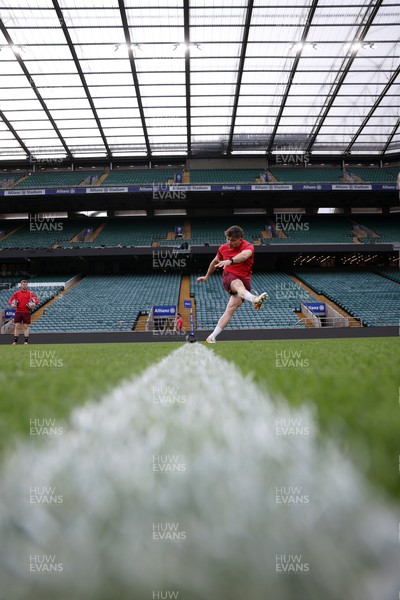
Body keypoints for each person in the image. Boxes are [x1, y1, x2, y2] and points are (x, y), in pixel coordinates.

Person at [197, 225, 268, 343]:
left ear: (240, 239)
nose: (230, 242)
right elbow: (214, 262)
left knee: (230, 309)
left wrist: (230, 260)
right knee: (238, 285)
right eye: (228, 239)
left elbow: (244, 256)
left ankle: (211, 337)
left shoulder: (248, 246)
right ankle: (254, 299)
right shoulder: (223, 248)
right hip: (229, 276)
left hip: (245, 280)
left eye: (233, 240)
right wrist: (207, 276)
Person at [8, 279, 39, 345]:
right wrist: (12, 304)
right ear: (21, 285)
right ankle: (15, 341)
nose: (24, 285)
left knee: (25, 327)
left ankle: (26, 341)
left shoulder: (30, 293)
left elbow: (36, 300)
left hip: (26, 312)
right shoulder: (17, 293)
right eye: (23, 284)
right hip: (18, 311)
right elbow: (10, 300)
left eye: (25, 284)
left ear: (27, 285)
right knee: (17, 326)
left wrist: (34, 303)